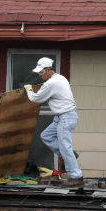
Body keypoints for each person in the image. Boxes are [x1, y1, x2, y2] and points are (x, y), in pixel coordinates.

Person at [24, 57, 83, 185]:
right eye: (39, 73)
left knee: (65, 146)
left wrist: (28, 90)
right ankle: (68, 155)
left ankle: (77, 177)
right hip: (62, 116)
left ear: (49, 69)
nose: (40, 75)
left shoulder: (51, 83)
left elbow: (36, 98)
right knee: (46, 136)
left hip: (66, 116)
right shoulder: (60, 78)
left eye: (41, 72)